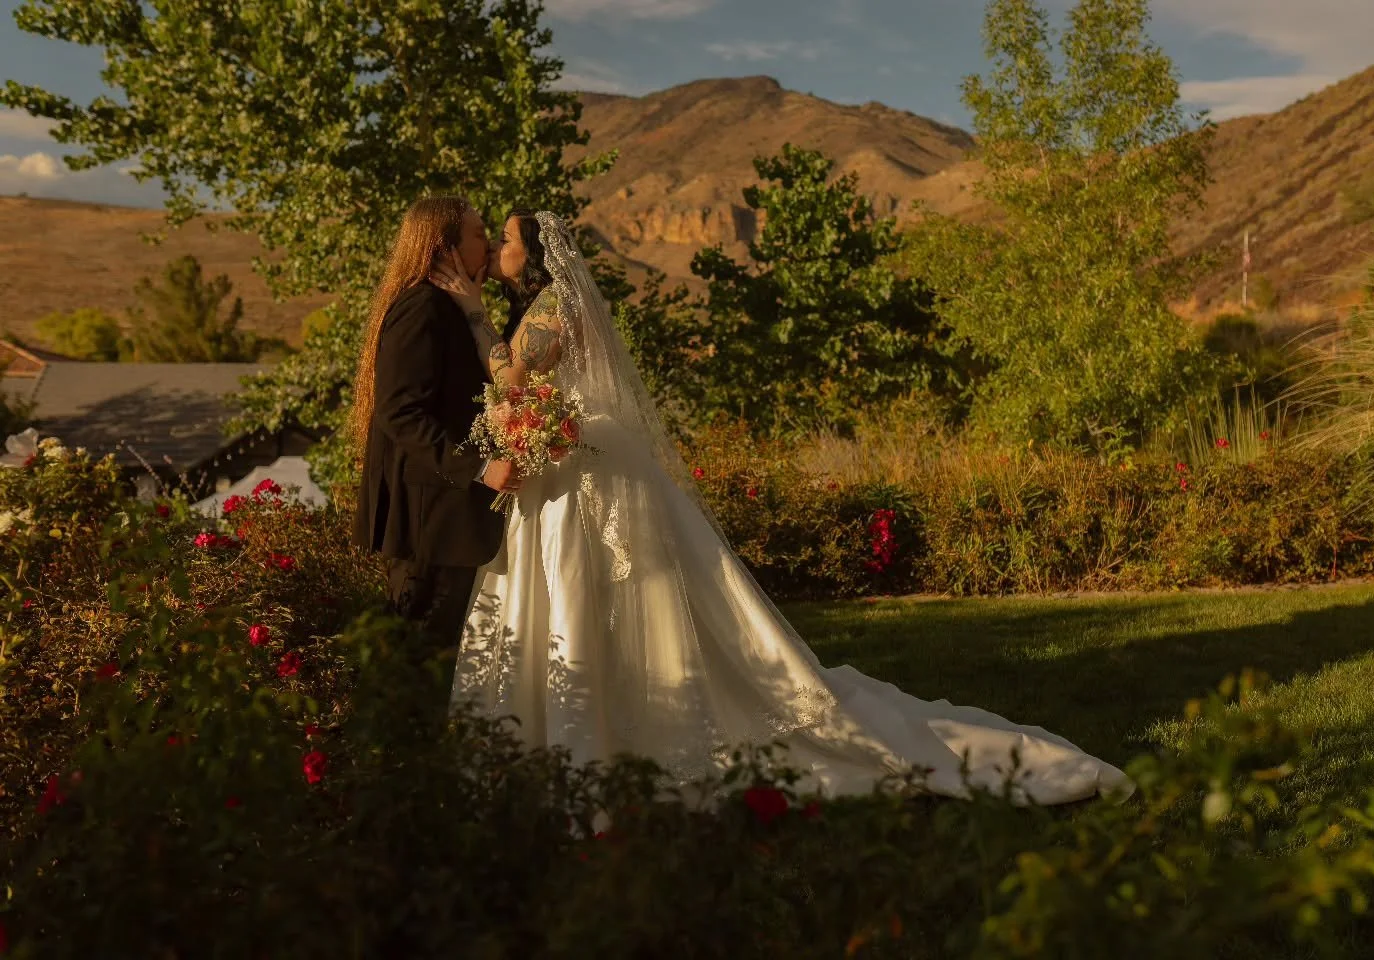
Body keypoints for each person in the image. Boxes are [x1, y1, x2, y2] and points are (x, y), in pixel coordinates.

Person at [431, 210, 1131, 804]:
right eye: (490, 240)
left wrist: (471, 314)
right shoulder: (544, 307)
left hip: (582, 467)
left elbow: (515, 378)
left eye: (506, 241)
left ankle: (613, 732)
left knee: (594, 595)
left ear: (537, 254)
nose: (495, 250)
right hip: (573, 459)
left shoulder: (550, 309)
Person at [349, 195, 521, 724]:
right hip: (428, 516)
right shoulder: (421, 306)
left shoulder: (448, 308)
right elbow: (400, 413)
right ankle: (399, 774)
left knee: (436, 658)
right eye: (477, 234)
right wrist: (479, 466)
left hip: (446, 514)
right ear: (445, 247)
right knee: (417, 656)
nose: (489, 244)